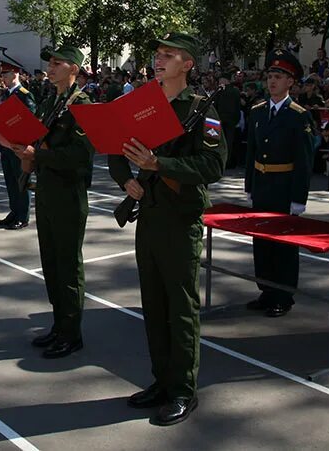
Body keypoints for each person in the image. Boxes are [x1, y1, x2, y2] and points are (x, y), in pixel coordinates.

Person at [108, 32, 225, 426]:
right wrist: (126, 179)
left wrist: (161, 166)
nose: (159, 59)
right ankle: (161, 381)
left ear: (187, 64)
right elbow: (116, 147)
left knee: (181, 307)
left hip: (180, 220)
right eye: (157, 53)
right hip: (151, 215)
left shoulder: (202, 110)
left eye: (169, 55)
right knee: (154, 305)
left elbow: (212, 168)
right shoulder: (143, 104)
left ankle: (182, 391)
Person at [13, 45, 94, 360]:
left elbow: (80, 157)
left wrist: (39, 155)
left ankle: (72, 333)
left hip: (68, 193)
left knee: (68, 264)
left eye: (57, 63)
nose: (50, 68)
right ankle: (59, 324)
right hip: (46, 189)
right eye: (49, 63)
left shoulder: (83, 105)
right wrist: (26, 155)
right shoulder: (50, 101)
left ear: (74, 68)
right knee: (50, 262)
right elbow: (38, 139)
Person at [244, 49, 315, 317]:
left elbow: (304, 160)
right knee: (261, 242)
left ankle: (283, 295)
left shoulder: (298, 116)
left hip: (284, 186)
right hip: (262, 184)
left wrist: (299, 197)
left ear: (290, 82)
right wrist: (250, 185)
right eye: (270, 76)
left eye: (279, 77)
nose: (272, 81)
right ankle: (266, 290)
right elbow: (251, 151)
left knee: (283, 245)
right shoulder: (258, 112)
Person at [0, 62, 36, 230]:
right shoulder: (6, 95)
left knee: (21, 181)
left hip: (19, 146)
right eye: (3, 75)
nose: (3, 79)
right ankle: (14, 211)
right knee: (10, 181)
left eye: (6, 75)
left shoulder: (24, 95)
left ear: (15, 75)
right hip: (6, 145)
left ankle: (23, 216)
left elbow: (30, 121)